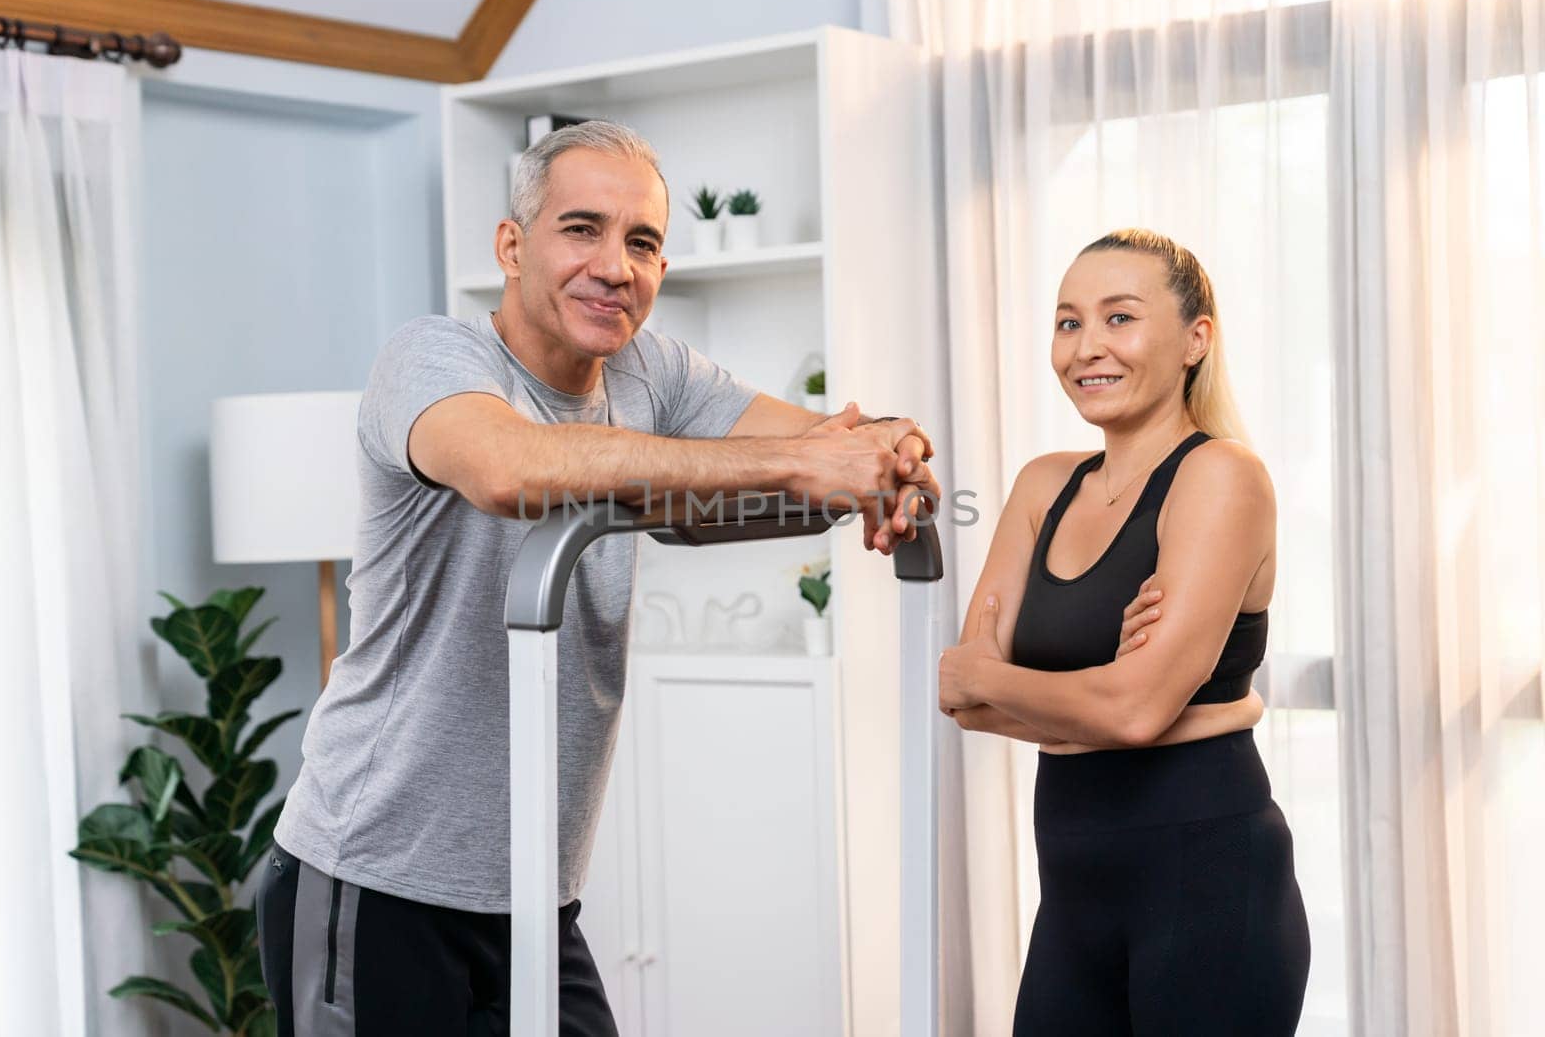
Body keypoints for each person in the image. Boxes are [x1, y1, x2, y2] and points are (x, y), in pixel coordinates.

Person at [255, 120, 938, 1036]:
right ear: (511, 244)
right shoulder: (433, 360)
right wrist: (806, 462)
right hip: (374, 876)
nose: (615, 265)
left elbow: (813, 447)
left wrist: (884, 446)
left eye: (643, 242)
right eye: (582, 228)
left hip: (534, 895)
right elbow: (513, 471)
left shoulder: (650, 372)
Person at [937, 228, 1310, 1034]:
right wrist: (1097, 690)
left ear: (1194, 340)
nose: (1086, 347)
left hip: (1210, 886)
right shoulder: (1044, 485)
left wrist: (996, 678)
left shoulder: (1222, 476)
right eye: (1068, 322)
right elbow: (960, 702)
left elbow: (1130, 708)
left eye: (1119, 318)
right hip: (1072, 896)